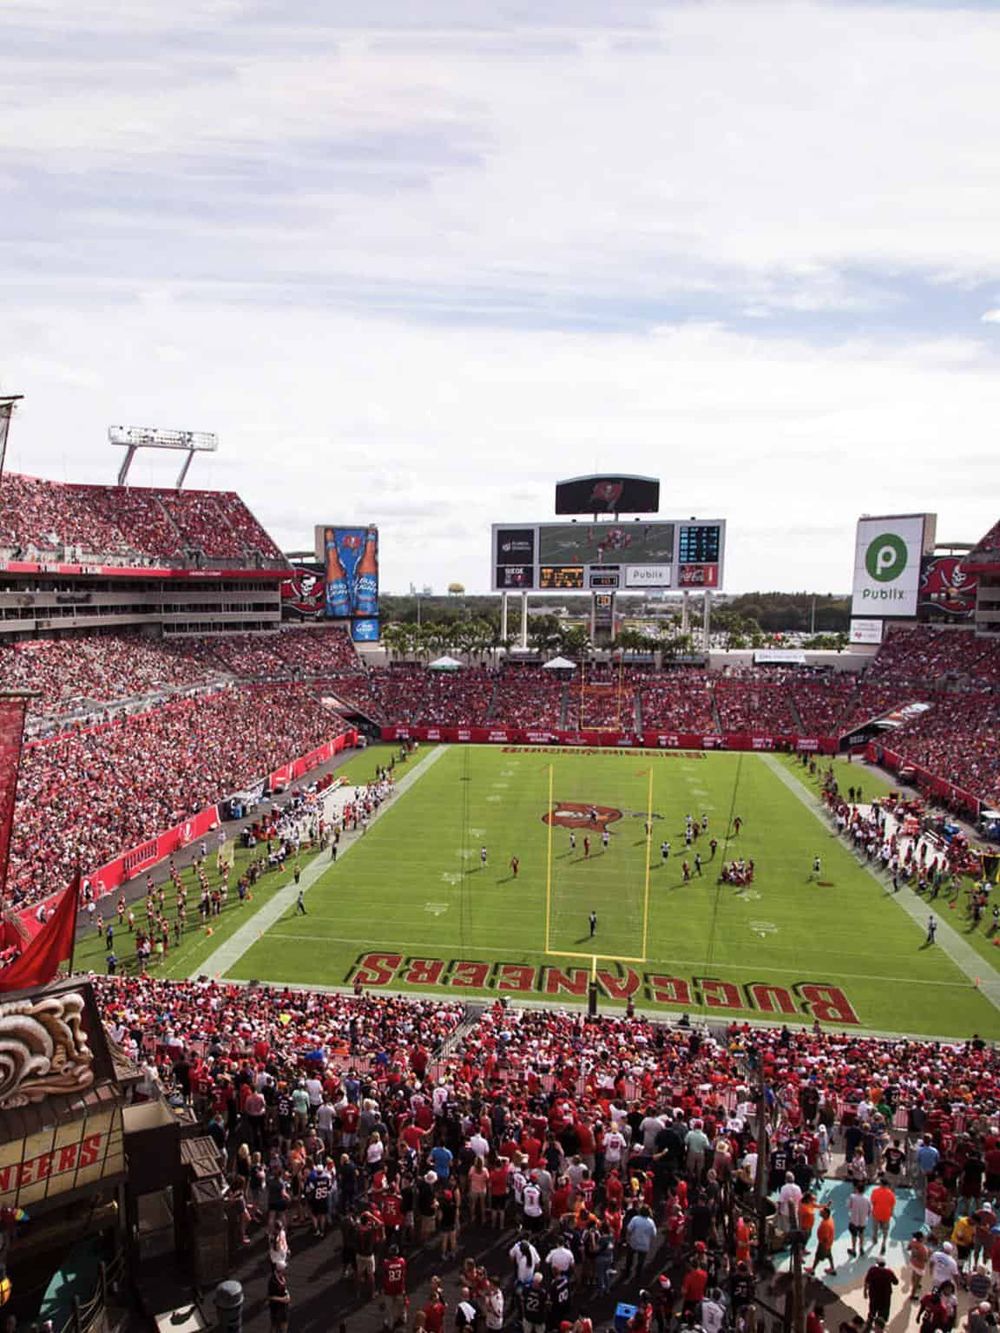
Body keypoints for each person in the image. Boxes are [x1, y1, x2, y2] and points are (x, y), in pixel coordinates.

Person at [864, 1260, 898, 1328]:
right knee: (883, 1313)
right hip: (885, 1298)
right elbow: (896, 1282)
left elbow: (867, 1281)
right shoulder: (889, 1272)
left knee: (872, 1310)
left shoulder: (872, 1270)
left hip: (874, 1296)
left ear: (877, 1264)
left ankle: (869, 1321)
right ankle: (879, 1326)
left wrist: (865, 1291)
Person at [871, 1178, 897, 1255]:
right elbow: (892, 1205)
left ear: (881, 1184)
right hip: (886, 1215)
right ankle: (883, 1243)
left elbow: (873, 1202)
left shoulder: (875, 1191)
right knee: (885, 1231)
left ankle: (875, 1239)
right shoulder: (891, 1194)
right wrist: (891, 1213)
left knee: (875, 1228)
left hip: (876, 1213)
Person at [848, 1181, 872, 1258]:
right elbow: (870, 1210)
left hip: (854, 1220)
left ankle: (854, 1250)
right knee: (861, 1234)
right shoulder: (867, 1199)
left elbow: (849, 1206)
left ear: (857, 1189)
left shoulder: (852, 1197)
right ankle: (861, 1248)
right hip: (863, 1221)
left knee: (854, 1235)